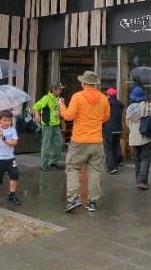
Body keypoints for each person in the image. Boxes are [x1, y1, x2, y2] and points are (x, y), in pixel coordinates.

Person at [58, 70, 110, 213]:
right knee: (94, 172)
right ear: (94, 84)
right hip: (97, 141)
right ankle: (92, 202)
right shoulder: (103, 98)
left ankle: (73, 198)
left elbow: (69, 116)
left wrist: (61, 106)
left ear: (84, 83)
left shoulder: (77, 97)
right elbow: (106, 118)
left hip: (79, 140)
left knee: (73, 168)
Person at [0, 109, 21, 206]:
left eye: (9, 120)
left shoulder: (12, 130)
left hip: (10, 158)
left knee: (15, 175)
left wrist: (7, 142)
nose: (7, 122)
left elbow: (15, 142)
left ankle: (12, 194)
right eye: (5, 120)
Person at [126, 86, 151, 190]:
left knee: (137, 158)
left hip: (133, 136)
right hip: (145, 135)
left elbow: (127, 123)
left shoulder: (129, 108)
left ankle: (138, 179)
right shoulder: (147, 105)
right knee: (146, 158)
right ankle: (142, 181)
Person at [33, 81, 65, 171]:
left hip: (56, 124)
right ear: (53, 89)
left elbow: (62, 110)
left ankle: (55, 162)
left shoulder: (57, 99)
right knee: (46, 145)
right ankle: (44, 164)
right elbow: (36, 106)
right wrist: (37, 114)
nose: (61, 91)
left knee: (59, 144)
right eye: (59, 89)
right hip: (47, 125)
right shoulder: (46, 98)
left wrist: (62, 105)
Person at [103, 87, 125, 173]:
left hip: (109, 128)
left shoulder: (107, 103)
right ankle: (115, 165)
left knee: (108, 148)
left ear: (108, 95)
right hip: (118, 128)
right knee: (115, 148)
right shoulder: (120, 104)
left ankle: (111, 167)